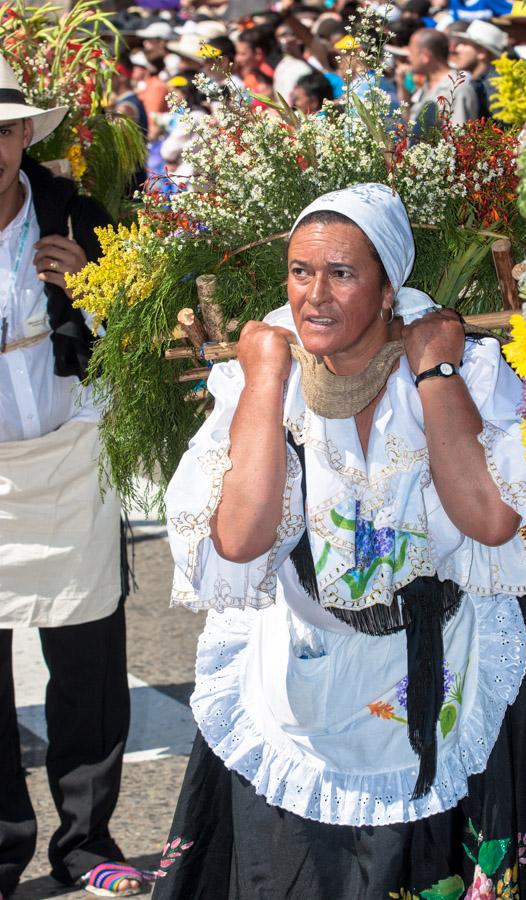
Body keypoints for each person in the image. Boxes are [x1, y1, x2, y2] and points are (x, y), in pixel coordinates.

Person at [154, 182, 526, 899]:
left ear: (389, 290)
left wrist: (435, 370)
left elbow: (490, 520)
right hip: (299, 684)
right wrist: (264, 382)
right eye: (300, 272)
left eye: (342, 273)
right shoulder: (259, 378)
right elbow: (236, 538)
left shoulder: (464, 367)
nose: (314, 296)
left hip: (446, 666)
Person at [0, 57, 142, 898]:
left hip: (72, 455)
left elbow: (142, 323)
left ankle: (87, 845)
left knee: (88, 657)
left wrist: (93, 289)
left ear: (26, 136)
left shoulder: (76, 215)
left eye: (9, 128)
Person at [408, 28, 479, 128]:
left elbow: (458, 138)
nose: (408, 58)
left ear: (425, 56)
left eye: (411, 52)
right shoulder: (427, 85)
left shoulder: (457, 89)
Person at [452, 20, 508, 119]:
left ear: (482, 52)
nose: (457, 49)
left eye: (465, 44)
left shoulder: (493, 87)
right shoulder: (483, 82)